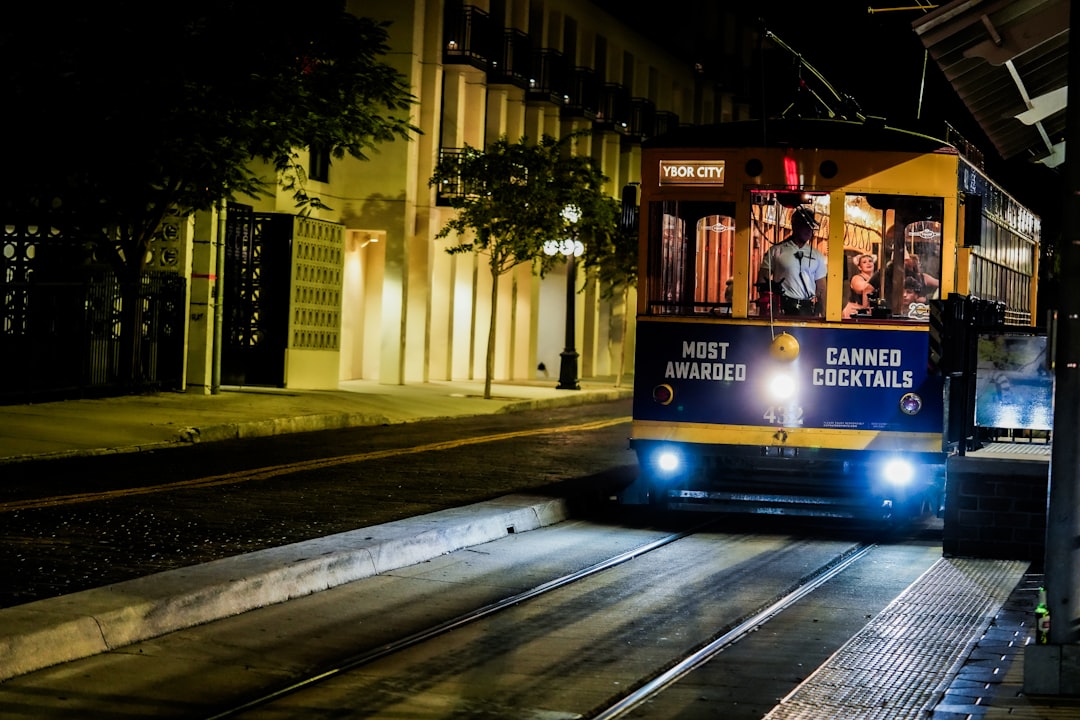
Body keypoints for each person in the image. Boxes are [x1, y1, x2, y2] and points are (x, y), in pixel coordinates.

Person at [758, 206, 826, 316]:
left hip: (807, 308)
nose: (809, 230)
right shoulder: (776, 250)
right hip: (782, 308)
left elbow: (821, 287)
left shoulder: (817, 255)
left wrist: (823, 313)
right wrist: (767, 309)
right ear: (795, 226)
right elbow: (763, 279)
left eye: (811, 226)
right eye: (805, 226)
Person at [843, 253, 877, 318]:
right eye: (864, 262)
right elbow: (865, 288)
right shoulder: (856, 278)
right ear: (859, 267)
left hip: (871, 312)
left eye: (870, 261)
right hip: (855, 311)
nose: (868, 263)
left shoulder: (877, 278)